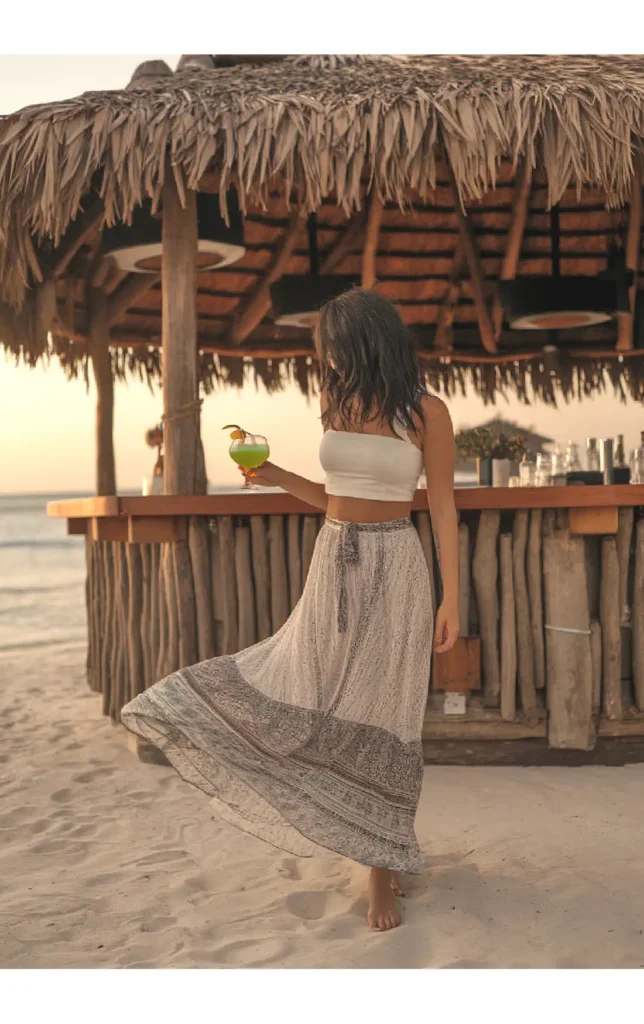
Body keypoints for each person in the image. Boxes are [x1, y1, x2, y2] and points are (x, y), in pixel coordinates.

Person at [121, 288, 459, 932]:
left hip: (396, 566)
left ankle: (380, 874)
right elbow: (336, 496)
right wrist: (277, 475)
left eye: (333, 345)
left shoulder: (425, 412)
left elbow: (441, 505)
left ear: (365, 338)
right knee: (314, 694)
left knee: (381, 713)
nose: (326, 357)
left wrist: (453, 597)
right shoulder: (336, 403)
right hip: (333, 562)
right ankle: (375, 848)